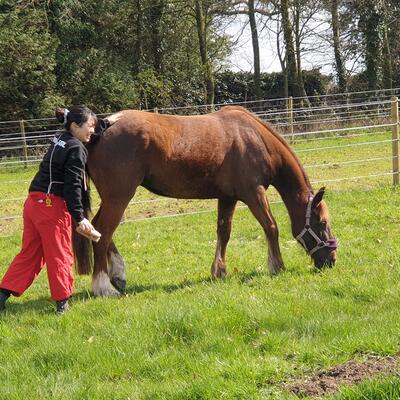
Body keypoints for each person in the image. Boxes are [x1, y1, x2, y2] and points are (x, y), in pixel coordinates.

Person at [0, 105, 110, 315]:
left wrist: (104, 124)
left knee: (30, 254)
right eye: (90, 126)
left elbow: (86, 133)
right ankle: (62, 304)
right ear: (75, 125)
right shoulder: (76, 149)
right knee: (60, 255)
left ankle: (1, 296)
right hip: (51, 208)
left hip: (33, 203)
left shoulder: (60, 138)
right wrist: (80, 217)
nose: (92, 131)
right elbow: (73, 186)